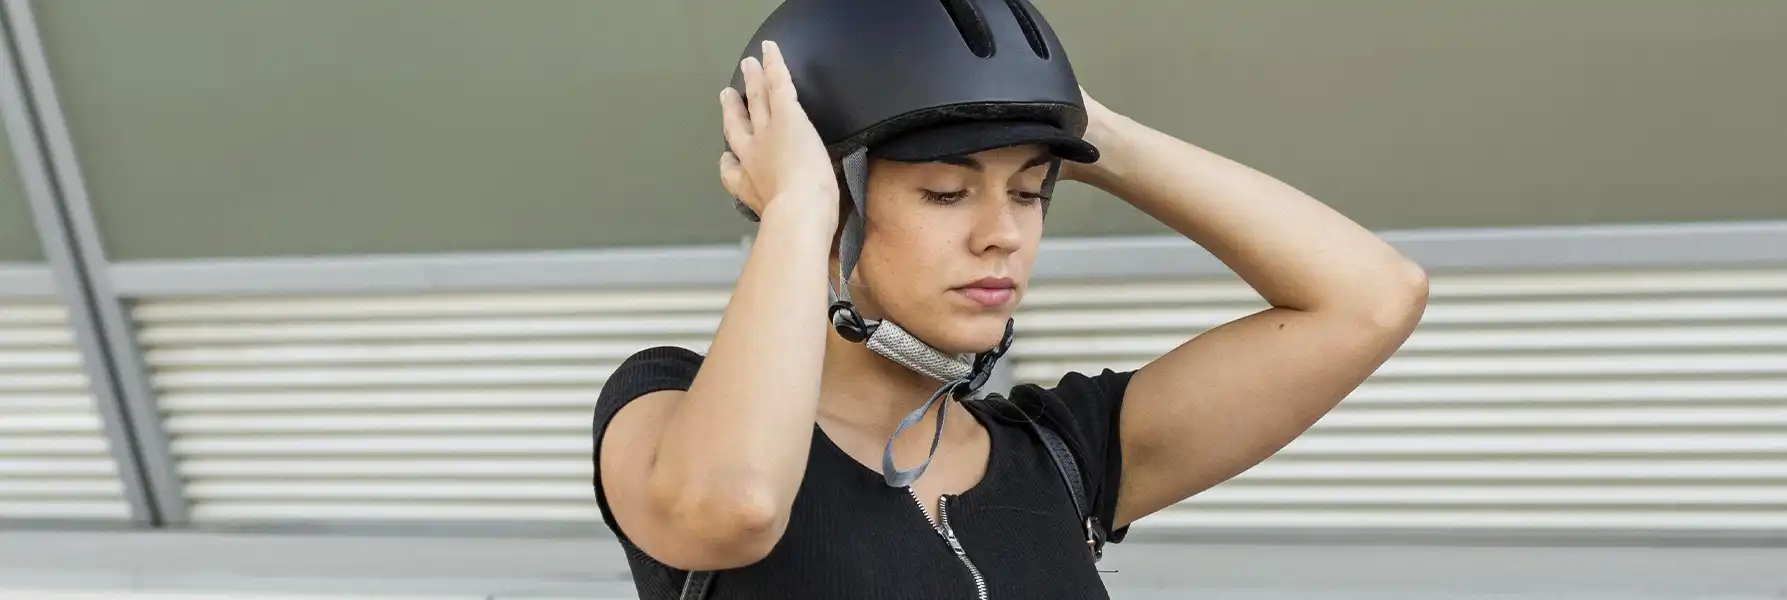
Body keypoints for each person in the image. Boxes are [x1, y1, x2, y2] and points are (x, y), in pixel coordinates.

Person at [590, 1, 1428, 598]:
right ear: (827, 202)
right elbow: (732, 508)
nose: (1004, 234)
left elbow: (1371, 298)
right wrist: (800, 209)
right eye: (948, 194)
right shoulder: (666, 408)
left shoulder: (1067, 454)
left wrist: (1084, 125)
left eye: (1029, 193)